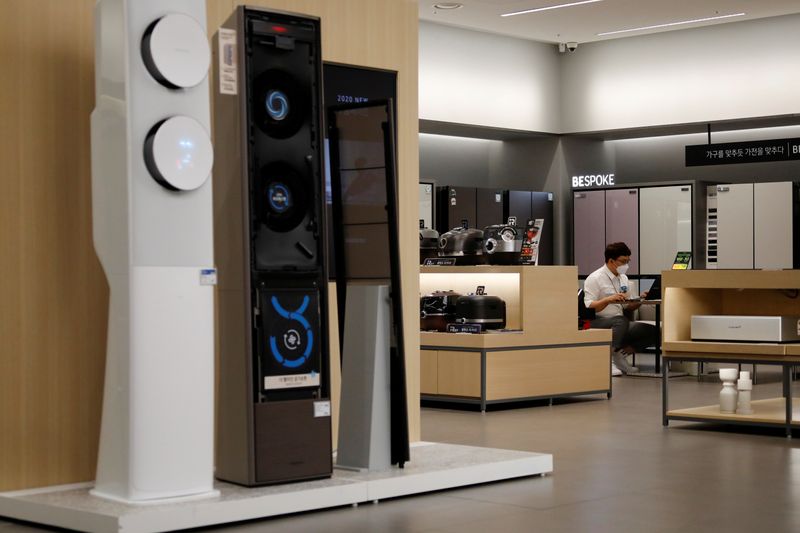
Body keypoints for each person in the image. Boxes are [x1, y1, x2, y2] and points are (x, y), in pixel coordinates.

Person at [583, 242, 658, 376]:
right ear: (611, 261)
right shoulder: (595, 278)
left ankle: (619, 355)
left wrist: (641, 299)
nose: (626, 265)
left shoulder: (623, 278)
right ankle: (609, 360)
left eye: (628, 261)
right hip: (594, 322)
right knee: (620, 320)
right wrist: (608, 299)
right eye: (623, 261)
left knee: (654, 331)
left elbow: (628, 306)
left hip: (619, 323)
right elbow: (588, 307)